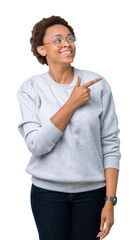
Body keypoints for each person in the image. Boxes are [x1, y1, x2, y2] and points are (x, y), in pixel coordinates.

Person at [17, 15, 121, 240]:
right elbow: (36, 145)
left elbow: (110, 144)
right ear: (42, 50)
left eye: (70, 38)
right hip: (47, 194)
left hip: (93, 195)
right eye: (58, 40)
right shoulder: (31, 89)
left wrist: (110, 200)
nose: (67, 44)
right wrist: (72, 102)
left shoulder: (98, 84)